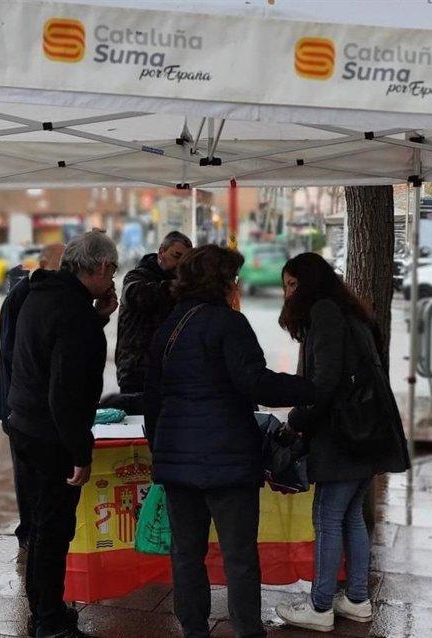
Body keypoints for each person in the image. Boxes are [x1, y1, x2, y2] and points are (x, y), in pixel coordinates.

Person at [144, 245, 316, 638]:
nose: (236, 286)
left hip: (177, 462)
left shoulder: (170, 324)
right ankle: (246, 632)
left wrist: (163, 447)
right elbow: (256, 383)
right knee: (239, 557)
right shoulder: (229, 324)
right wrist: (313, 389)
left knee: (186, 554)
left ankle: (193, 629)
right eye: (233, 279)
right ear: (222, 282)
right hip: (228, 459)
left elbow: (152, 398)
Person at [275, 252, 410, 632]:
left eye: (292, 285)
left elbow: (325, 381)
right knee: (351, 516)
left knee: (328, 516)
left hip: (344, 436)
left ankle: (320, 606)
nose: (287, 294)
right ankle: (356, 598)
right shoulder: (351, 311)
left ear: (309, 284)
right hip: (367, 434)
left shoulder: (324, 312)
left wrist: (297, 421)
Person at [7, 231, 118, 638]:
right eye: (113, 271)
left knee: (41, 526)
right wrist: (80, 453)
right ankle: (49, 621)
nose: (113, 280)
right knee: (53, 531)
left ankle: (45, 612)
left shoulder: (40, 294)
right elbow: (66, 392)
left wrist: (98, 316)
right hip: (50, 436)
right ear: (102, 267)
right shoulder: (74, 313)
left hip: (25, 424)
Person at [0, 243, 65, 554]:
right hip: (19, 404)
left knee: (36, 474)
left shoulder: (39, 294)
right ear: (49, 265)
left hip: (24, 402)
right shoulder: (24, 297)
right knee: (27, 474)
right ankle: (29, 532)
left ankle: (36, 529)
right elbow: (14, 353)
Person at [115, 230, 192, 394]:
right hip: (137, 372)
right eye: (176, 256)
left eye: (185, 260)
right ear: (161, 252)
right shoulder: (137, 277)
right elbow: (137, 295)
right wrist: (178, 286)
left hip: (168, 372)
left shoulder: (181, 285)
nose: (180, 264)